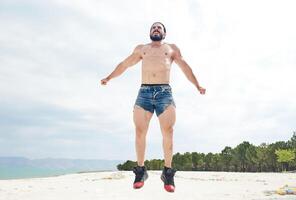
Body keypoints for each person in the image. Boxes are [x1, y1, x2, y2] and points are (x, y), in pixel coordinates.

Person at [101, 22, 206, 192]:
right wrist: (109, 77)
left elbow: (185, 67)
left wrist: (197, 85)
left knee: (168, 131)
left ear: (164, 33)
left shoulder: (171, 49)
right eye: (153, 27)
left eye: (159, 27)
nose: (156, 29)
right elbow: (125, 64)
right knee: (140, 131)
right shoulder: (142, 49)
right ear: (150, 32)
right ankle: (141, 171)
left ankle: (168, 172)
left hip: (164, 92)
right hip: (144, 92)